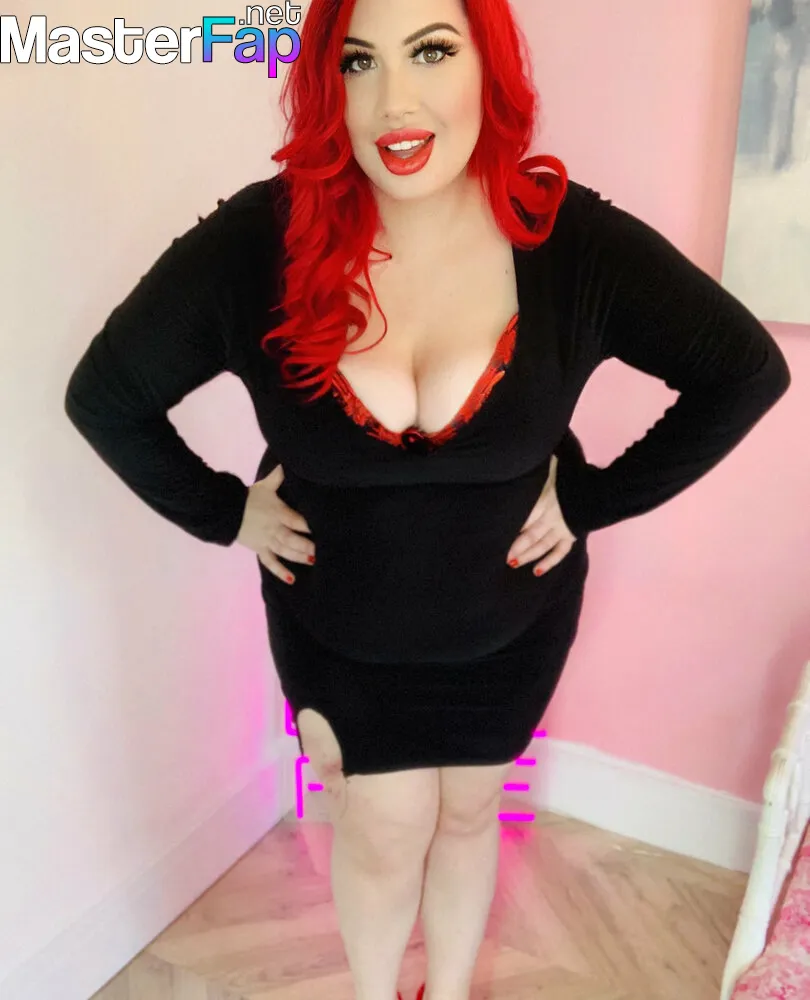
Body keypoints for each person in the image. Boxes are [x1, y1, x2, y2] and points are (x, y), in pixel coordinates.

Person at [63, 1, 792, 998]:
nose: (393, 101)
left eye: (432, 51)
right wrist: (225, 512)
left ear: (489, 67)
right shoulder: (257, 244)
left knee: (470, 812)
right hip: (340, 629)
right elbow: (107, 395)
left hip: (513, 622)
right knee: (381, 829)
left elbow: (743, 370)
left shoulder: (568, 241)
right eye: (358, 61)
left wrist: (594, 499)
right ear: (328, 83)